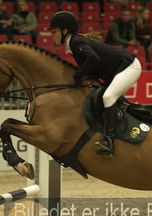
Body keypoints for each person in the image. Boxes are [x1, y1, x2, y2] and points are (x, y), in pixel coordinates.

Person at [49, 11, 142, 156]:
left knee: (108, 97)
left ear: (65, 30)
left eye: (54, 31)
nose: (52, 35)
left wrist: (78, 75)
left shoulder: (75, 42)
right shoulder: (73, 42)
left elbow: (93, 59)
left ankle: (109, 141)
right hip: (118, 69)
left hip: (129, 67)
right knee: (100, 97)